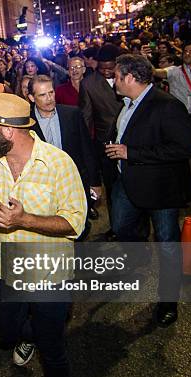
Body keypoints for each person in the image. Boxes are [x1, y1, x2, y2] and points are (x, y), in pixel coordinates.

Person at [0, 93, 87, 377]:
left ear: (7, 131)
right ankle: (30, 335)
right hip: (8, 271)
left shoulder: (57, 163)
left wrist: (25, 219)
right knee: (7, 330)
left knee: (53, 348)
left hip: (50, 275)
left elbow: (75, 222)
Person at [106, 54, 191, 326]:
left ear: (130, 78)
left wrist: (131, 152)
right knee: (121, 228)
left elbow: (183, 148)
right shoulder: (127, 104)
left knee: (168, 245)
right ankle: (137, 257)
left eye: (118, 76)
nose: (114, 81)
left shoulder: (167, 105)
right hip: (127, 182)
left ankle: (168, 300)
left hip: (161, 190)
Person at [29, 75, 100, 229]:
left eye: (51, 92)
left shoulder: (72, 114)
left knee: (78, 225)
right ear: (31, 97)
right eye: (42, 95)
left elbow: (87, 149)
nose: (49, 98)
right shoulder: (26, 122)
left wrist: (95, 182)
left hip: (74, 182)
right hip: (43, 188)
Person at [152, 41, 191, 204]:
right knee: (178, 155)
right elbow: (157, 72)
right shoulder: (174, 71)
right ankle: (181, 189)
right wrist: (144, 60)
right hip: (179, 118)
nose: (187, 54)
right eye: (185, 51)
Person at [79, 43, 124, 240]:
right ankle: (117, 227)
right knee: (113, 189)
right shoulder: (89, 84)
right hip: (106, 144)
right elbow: (86, 117)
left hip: (134, 141)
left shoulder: (129, 76)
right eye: (102, 68)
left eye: (110, 67)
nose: (107, 71)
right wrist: (86, 146)